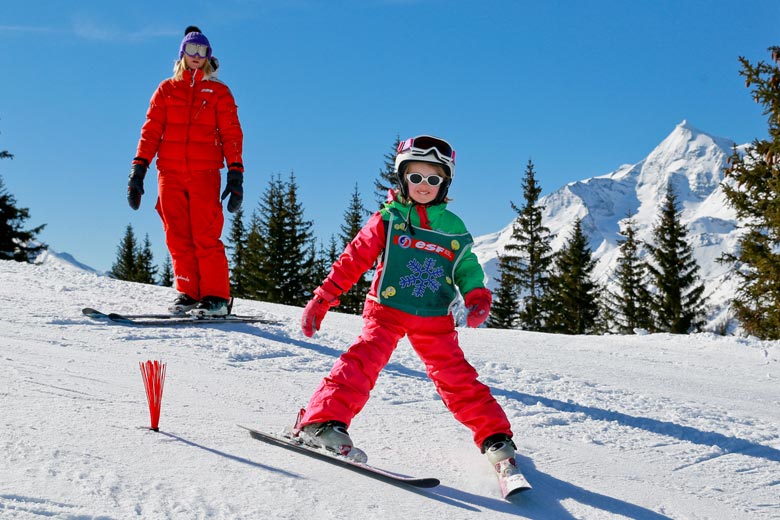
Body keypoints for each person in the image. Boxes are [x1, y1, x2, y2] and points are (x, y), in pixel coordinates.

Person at [295, 135, 519, 476]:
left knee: (456, 377)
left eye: (434, 178)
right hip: (386, 310)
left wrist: (476, 296)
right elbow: (353, 259)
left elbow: (468, 267)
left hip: (433, 317)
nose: (424, 185)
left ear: (445, 183)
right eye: (416, 177)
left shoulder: (454, 228)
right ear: (403, 178)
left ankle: (495, 437)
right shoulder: (388, 219)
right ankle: (321, 422)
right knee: (362, 363)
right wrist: (323, 298)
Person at [127, 25, 244, 317]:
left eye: (202, 50)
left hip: (205, 172)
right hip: (169, 172)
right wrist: (138, 170)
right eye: (192, 50)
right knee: (176, 234)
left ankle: (217, 296)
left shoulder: (218, 91)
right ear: (182, 53)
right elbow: (151, 130)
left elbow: (231, 134)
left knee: (205, 234)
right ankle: (189, 292)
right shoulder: (166, 89)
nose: (197, 55)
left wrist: (236, 172)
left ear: (208, 56)